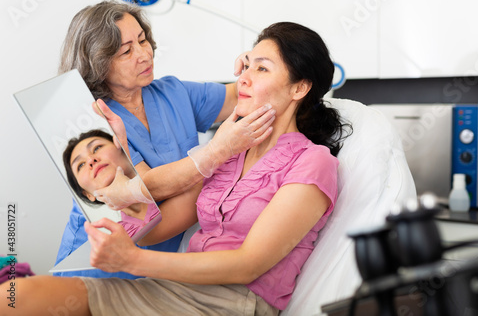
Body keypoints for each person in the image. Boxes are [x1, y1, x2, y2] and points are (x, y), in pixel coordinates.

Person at [4, 21, 352, 315]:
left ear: (301, 87)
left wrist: (134, 261)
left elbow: (248, 264)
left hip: (230, 301)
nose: (243, 77)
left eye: (260, 68)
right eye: (246, 66)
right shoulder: (228, 153)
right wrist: (126, 159)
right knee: (14, 297)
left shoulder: (311, 162)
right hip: (172, 287)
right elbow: (157, 224)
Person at [55, 0, 275, 279]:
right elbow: (148, 190)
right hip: (97, 268)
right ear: (99, 64)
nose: (144, 54)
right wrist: (220, 151)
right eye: (126, 51)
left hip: (154, 272)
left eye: (143, 40)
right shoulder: (98, 118)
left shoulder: (172, 92)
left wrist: (255, 68)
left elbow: (239, 97)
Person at [62, 129, 161, 238]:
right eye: (80, 165)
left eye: (97, 148)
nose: (91, 160)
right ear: (87, 194)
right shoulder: (119, 239)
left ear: (122, 149)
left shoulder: (165, 172)